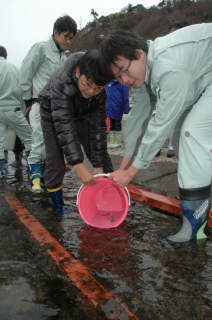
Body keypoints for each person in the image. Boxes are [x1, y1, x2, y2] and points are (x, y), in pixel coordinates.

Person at [99, 24, 212, 243]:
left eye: (124, 70)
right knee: (180, 134)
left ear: (139, 53)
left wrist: (131, 174)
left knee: (192, 132)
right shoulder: (142, 72)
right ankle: (198, 198)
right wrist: (122, 171)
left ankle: (196, 226)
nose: (124, 80)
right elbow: (137, 120)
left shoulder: (169, 65)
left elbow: (159, 126)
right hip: (205, 76)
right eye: (118, 77)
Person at [38, 50, 114, 215]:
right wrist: (78, 165)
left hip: (80, 114)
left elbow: (98, 128)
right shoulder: (62, 83)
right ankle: (58, 206)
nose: (91, 91)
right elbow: (64, 124)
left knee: (101, 155)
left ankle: (113, 194)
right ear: (78, 72)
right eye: (87, 84)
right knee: (56, 161)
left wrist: (98, 165)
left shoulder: (99, 94)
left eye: (98, 88)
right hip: (52, 115)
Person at [20, 15, 77, 193]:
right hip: (40, 103)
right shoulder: (41, 48)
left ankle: (46, 176)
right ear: (55, 32)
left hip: (60, 107)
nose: (68, 41)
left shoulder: (65, 57)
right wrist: (27, 98)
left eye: (71, 38)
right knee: (39, 139)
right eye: (66, 36)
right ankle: (35, 178)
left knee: (56, 143)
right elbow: (25, 71)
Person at [0, 46, 32, 178]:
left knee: (0, 143)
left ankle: (1, 172)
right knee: (30, 140)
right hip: (14, 109)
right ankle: (34, 170)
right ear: (6, 56)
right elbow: (23, 92)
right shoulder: (15, 69)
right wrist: (23, 112)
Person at [167, 20, 190, 158]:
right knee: (175, 126)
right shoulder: (168, 56)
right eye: (170, 35)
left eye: (177, 34)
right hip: (176, 101)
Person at [106, 80, 130, 149]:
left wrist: (126, 109)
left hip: (117, 107)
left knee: (117, 124)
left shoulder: (122, 84)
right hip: (110, 108)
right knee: (112, 125)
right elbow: (107, 96)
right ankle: (112, 140)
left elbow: (125, 97)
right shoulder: (109, 83)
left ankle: (117, 141)